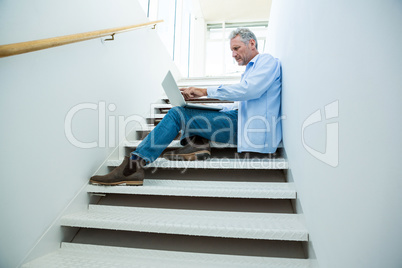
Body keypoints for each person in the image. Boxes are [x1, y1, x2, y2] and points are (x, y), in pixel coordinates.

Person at [90, 28, 282, 186]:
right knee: (187, 111)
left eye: (236, 48)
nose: (233, 54)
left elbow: (249, 91)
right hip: (239, 122)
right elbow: (239, 102)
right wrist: (200, 107)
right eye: (232, 50)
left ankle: (133, 166)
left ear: (252, 44)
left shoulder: (267, 62)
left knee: (176, 114)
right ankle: (196, 143)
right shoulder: (251, 70)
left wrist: (204, 91)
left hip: (248, 127)